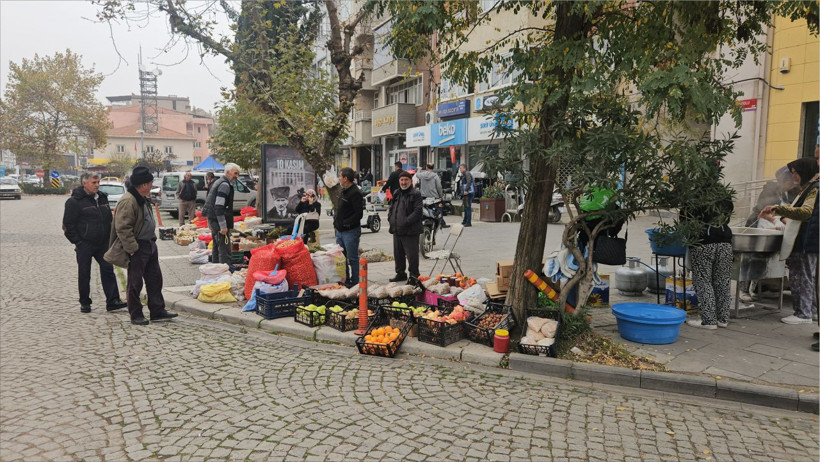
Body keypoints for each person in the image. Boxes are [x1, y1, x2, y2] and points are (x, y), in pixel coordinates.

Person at [106, 166, 177, 325]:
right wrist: (132, 249)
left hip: (149, 244)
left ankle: (157, 311)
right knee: (135, 283)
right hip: (137, 247)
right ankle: (136, 314)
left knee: (155, 280)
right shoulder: (128, 200)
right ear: (144, 184)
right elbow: (123, 228)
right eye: (151, 182)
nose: (152, 185)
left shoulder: (141, 197)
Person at [760, 157, 819, 325]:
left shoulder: (814, 189)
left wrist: (778, 209)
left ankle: (803, 313)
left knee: (802, 276)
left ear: (804, 172)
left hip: (806, 240)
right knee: (806, 275)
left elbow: (806, 212)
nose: (793, 177)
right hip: (803, 239)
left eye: (795, 173)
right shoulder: (807, 188)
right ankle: (810, 310)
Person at [62, 172, 127, 313]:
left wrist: (110, 237)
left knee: (108, 269)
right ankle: (85, 302)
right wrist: (78, 242)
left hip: (102, 243)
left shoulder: (102, 198)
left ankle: (113, 301)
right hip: (84, 243)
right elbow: (67, 225)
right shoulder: (74, 201)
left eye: (98, 182)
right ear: (85, 183)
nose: (97, 185)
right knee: (84, 273)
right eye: (94, 182)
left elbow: (108, 218)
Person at [738, 166, 800, 302]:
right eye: (789, 181)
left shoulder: (789, 193)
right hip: (759, 225)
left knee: (769, 258)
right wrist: (777, 220)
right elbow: (764, 211)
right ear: (782, 181)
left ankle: (760, 287)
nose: (791, 184)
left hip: (776, 229)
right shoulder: (769, 191)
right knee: (751, 257)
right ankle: (743, 290)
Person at [684, 189, 734, 330]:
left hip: (703, 242)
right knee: (723, 280)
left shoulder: (695, 193)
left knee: (703, 281)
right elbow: (728, 214)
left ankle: (709, 320)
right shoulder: (723, 192)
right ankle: (723, 319)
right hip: (725, 241)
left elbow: (686, 217)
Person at [388, 171, 423, 283]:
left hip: (410, 230)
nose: (403, 182)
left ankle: (414, 276)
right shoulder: (397, 192)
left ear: (410, 181)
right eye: (402, 180)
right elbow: (392, 208)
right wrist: (391, 218)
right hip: (397, 229)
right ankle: (400, 273)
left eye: (406, 180)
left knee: (412, 255)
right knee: (398, 254)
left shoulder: (415, 193)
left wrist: (406, 221)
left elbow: (418, 211)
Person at [203, 163, 240, 264]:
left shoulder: (219, 181)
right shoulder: (224, 185)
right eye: (235, 173)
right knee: (224, 248)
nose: (237, 176)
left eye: (238, 174)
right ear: (228, 172)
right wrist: (223, 226)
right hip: (217, 219)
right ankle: (224, 270)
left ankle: (216, 269)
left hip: (213, 218)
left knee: (216, 245)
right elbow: (219, 206)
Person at [334, 167, 364, 286]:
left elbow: (358, 214)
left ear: (346, 178)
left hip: (350, 231)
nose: (339, 178)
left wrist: (346, 223)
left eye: (340, 176)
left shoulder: (355, 193)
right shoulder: (343, 190)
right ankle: (345, 280)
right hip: (340, 231)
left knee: (352, 258)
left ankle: (355, 282)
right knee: (342, 258)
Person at [415, 163, 448, 228]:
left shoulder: (422, 175)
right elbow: (439, 186)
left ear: (427, 167)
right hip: (434, 197)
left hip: (424, 196)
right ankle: (441, 223)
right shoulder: (435, 176)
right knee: (438, 209)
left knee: (423, 210)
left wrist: (419, 169)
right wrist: (441, 195)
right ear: (433, 168)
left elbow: (417, 175)